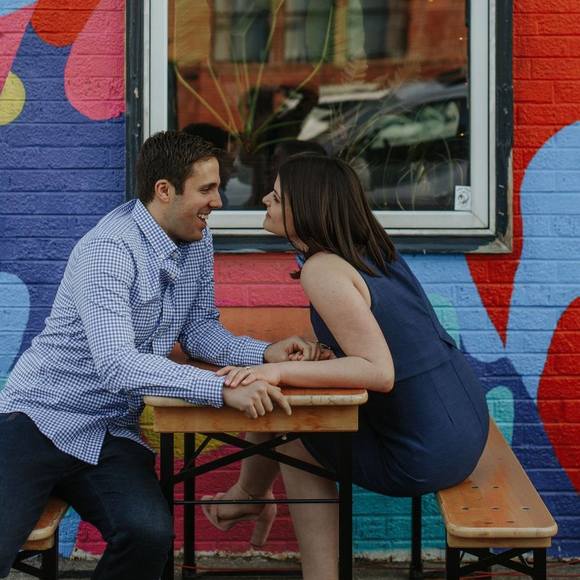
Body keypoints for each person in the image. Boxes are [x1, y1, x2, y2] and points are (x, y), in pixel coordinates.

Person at [0, 131, 323, 580]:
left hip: (110, 432)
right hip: (37, 421)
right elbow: (117, 363)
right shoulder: (109, 250)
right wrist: (221, 389)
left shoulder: (197, 240)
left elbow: (199, 331)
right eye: (207, 189)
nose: (218, 202)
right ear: (165, 190)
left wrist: (266, 353)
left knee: (149, 535)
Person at [202, 155, 490, 580]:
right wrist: (327, 354)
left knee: (292, 427)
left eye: (277, 196)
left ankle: (302, 555)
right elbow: (398, 342)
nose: (264, 199)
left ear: (307, 208)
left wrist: (276, 372)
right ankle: (247, 497)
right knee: (289, 409)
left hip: (426, 451)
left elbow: (379, 372)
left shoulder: (323, 269)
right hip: (465, 424)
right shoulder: (372, 250)